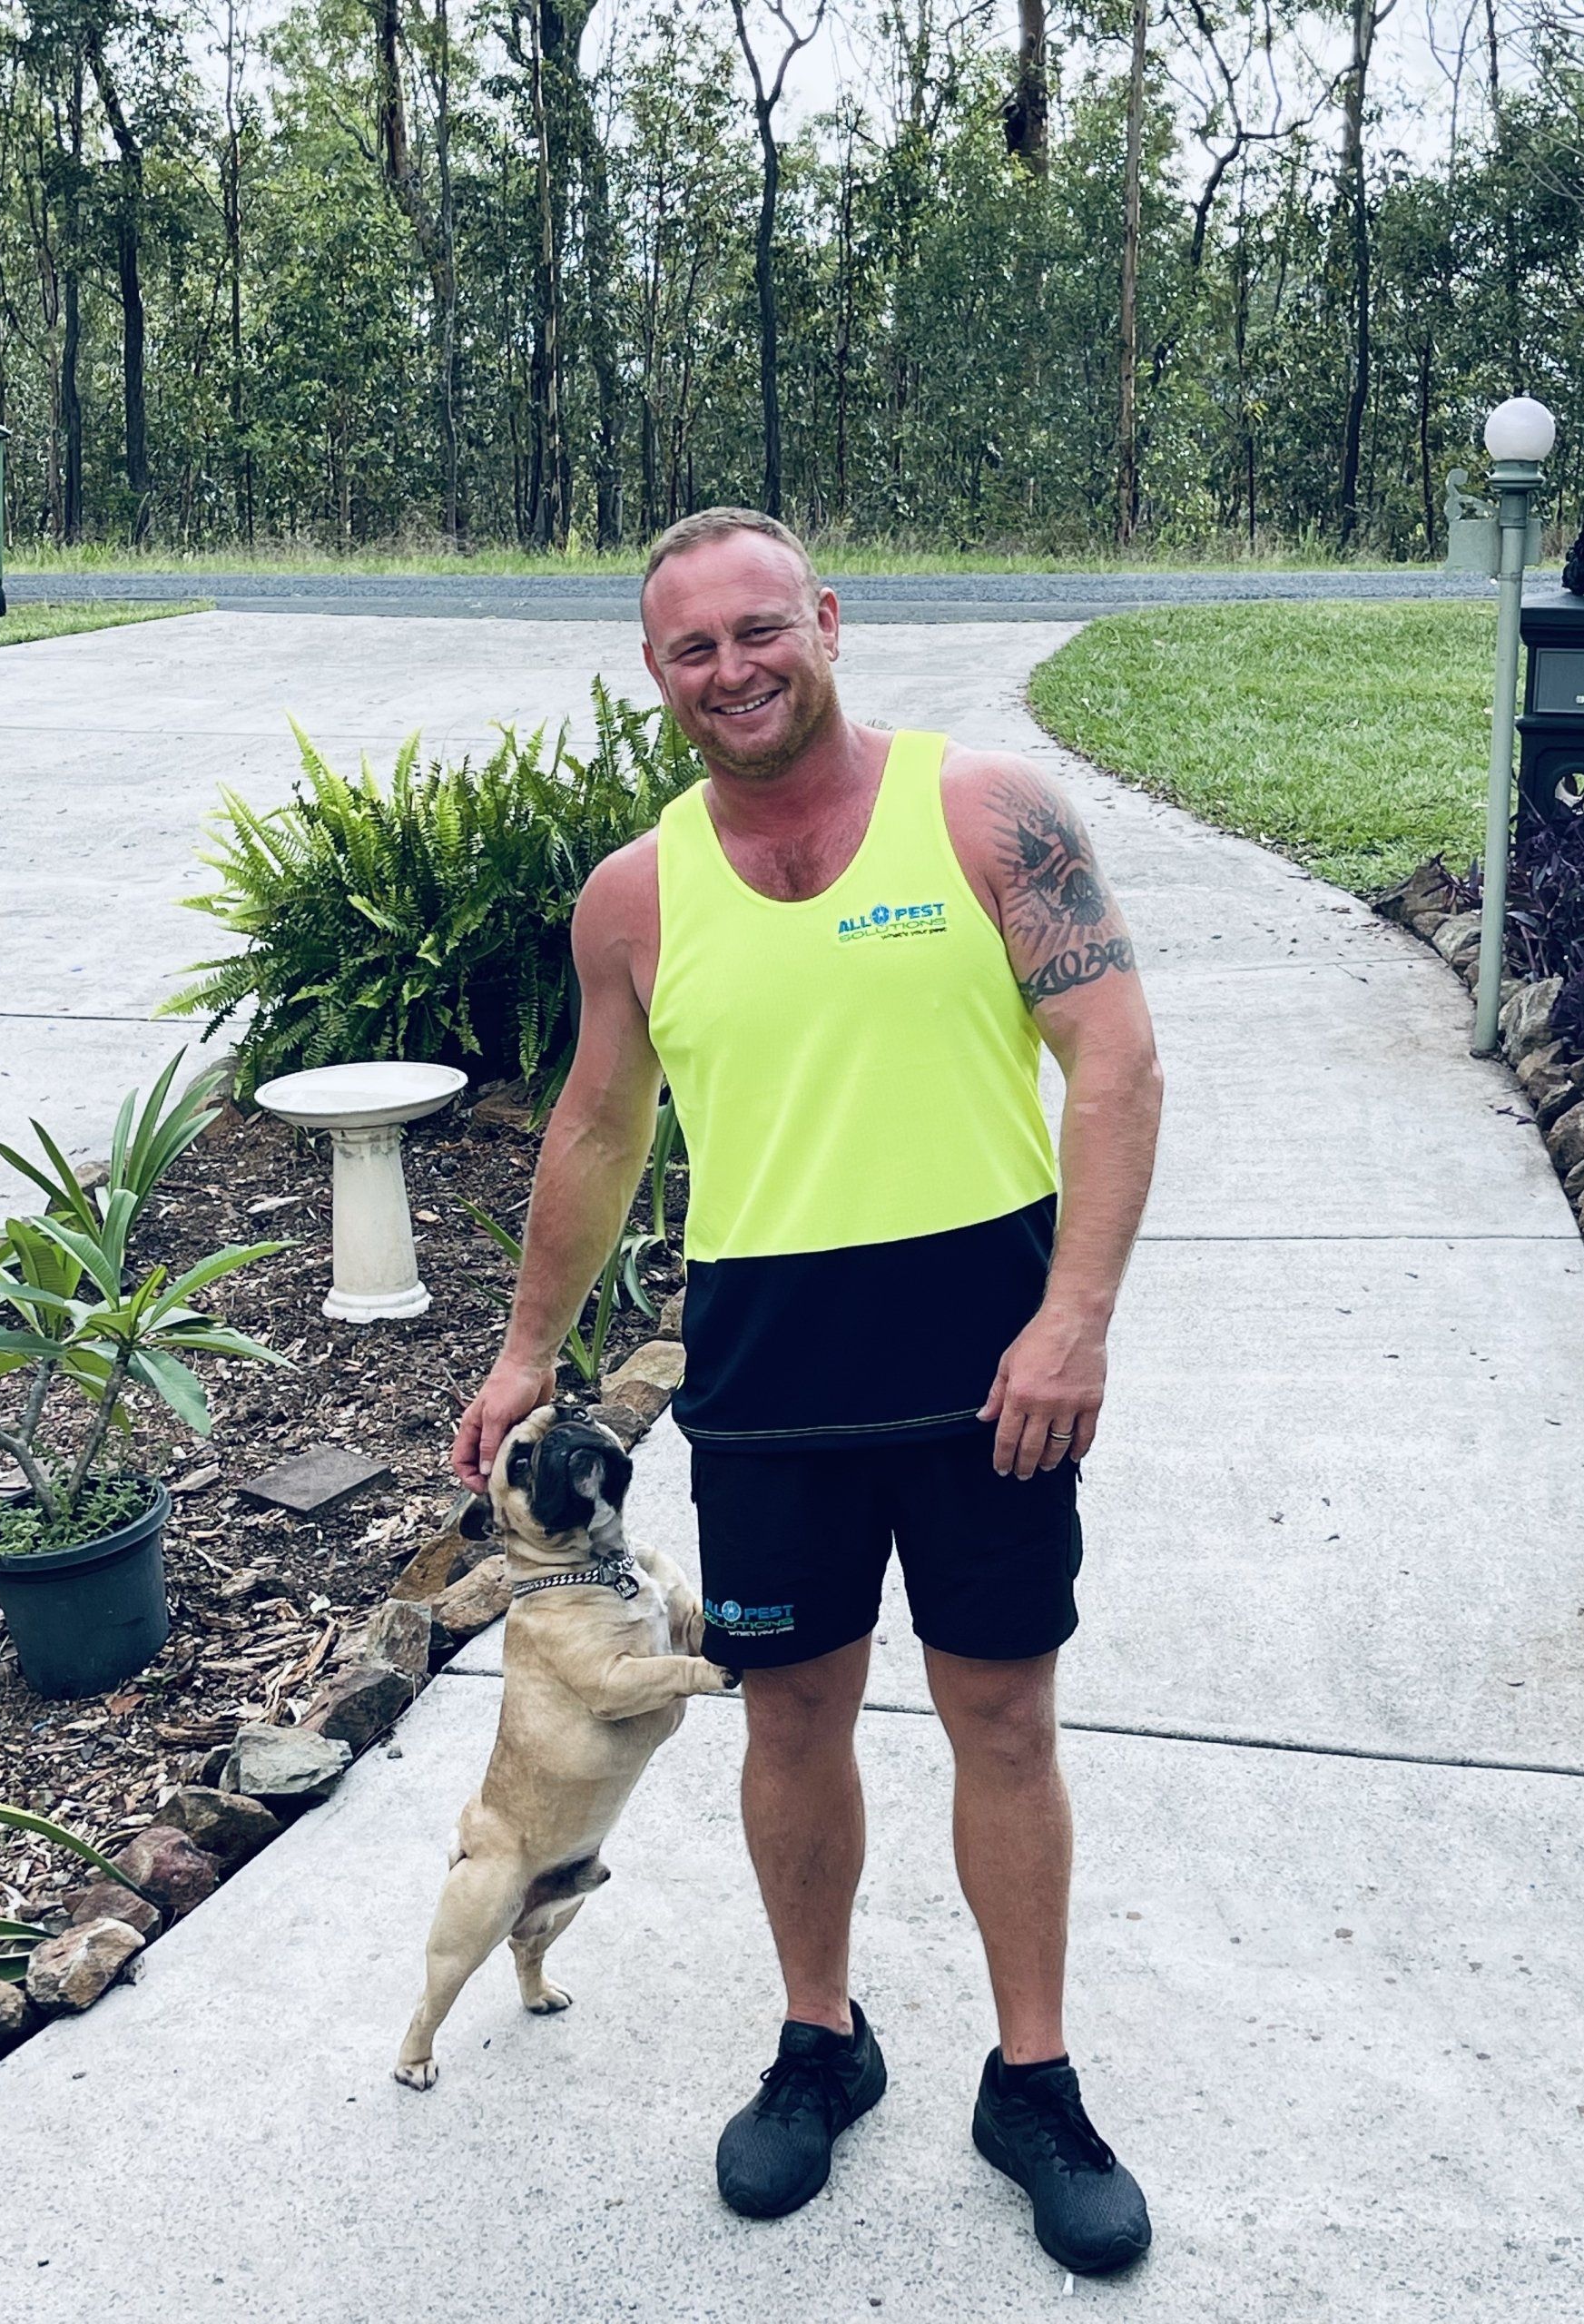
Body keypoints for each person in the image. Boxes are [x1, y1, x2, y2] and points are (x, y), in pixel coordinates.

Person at [452, 507, 1165, 2278]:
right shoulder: (638, 894)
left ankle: (1035, 2076)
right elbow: (601, 1124)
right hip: (770, 1383)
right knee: (789, 1720)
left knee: (1003, 1719)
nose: (733, 668)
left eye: (760, 628)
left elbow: (1117, 1057)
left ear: (826, 619)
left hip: (995, 1369)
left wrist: (1075, 1315)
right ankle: (820, 2037)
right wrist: (529, 1344)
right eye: (693, 647)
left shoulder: (989, 814)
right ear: (656, 673)